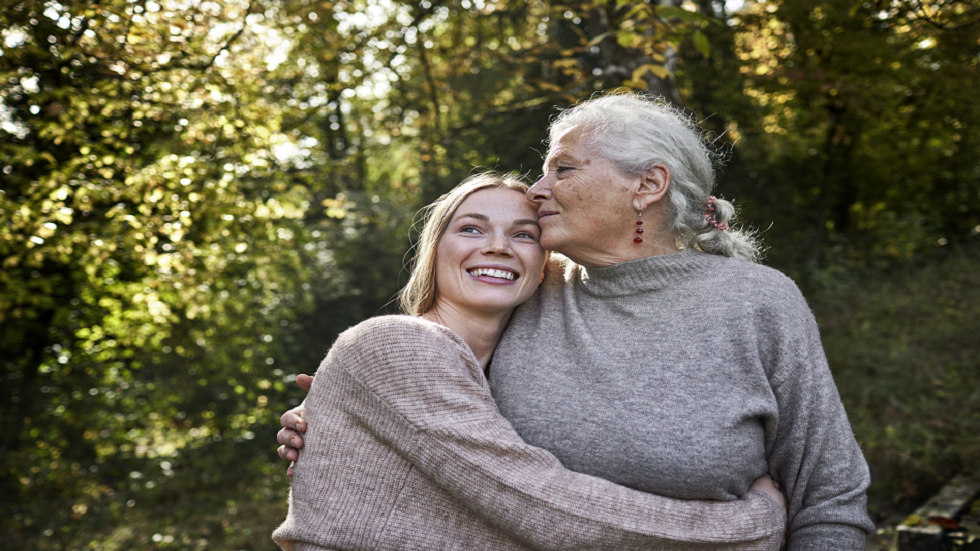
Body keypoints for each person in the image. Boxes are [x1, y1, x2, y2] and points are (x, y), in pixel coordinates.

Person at [279, 93, 875, 549]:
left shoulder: (758, 303)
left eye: (562, 169)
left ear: (647, 185)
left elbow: (831, 494)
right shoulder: (536, 289)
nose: (538, 190)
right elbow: (429, 373)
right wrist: (335, 411)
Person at [272, 173, 787, 551]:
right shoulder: (398, 345)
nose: (498, 246)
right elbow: (542, 507)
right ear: (435, 250)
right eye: (472, 229)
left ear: (545, 265)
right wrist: (749, 526)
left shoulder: (507, 376)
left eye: (523, 235)